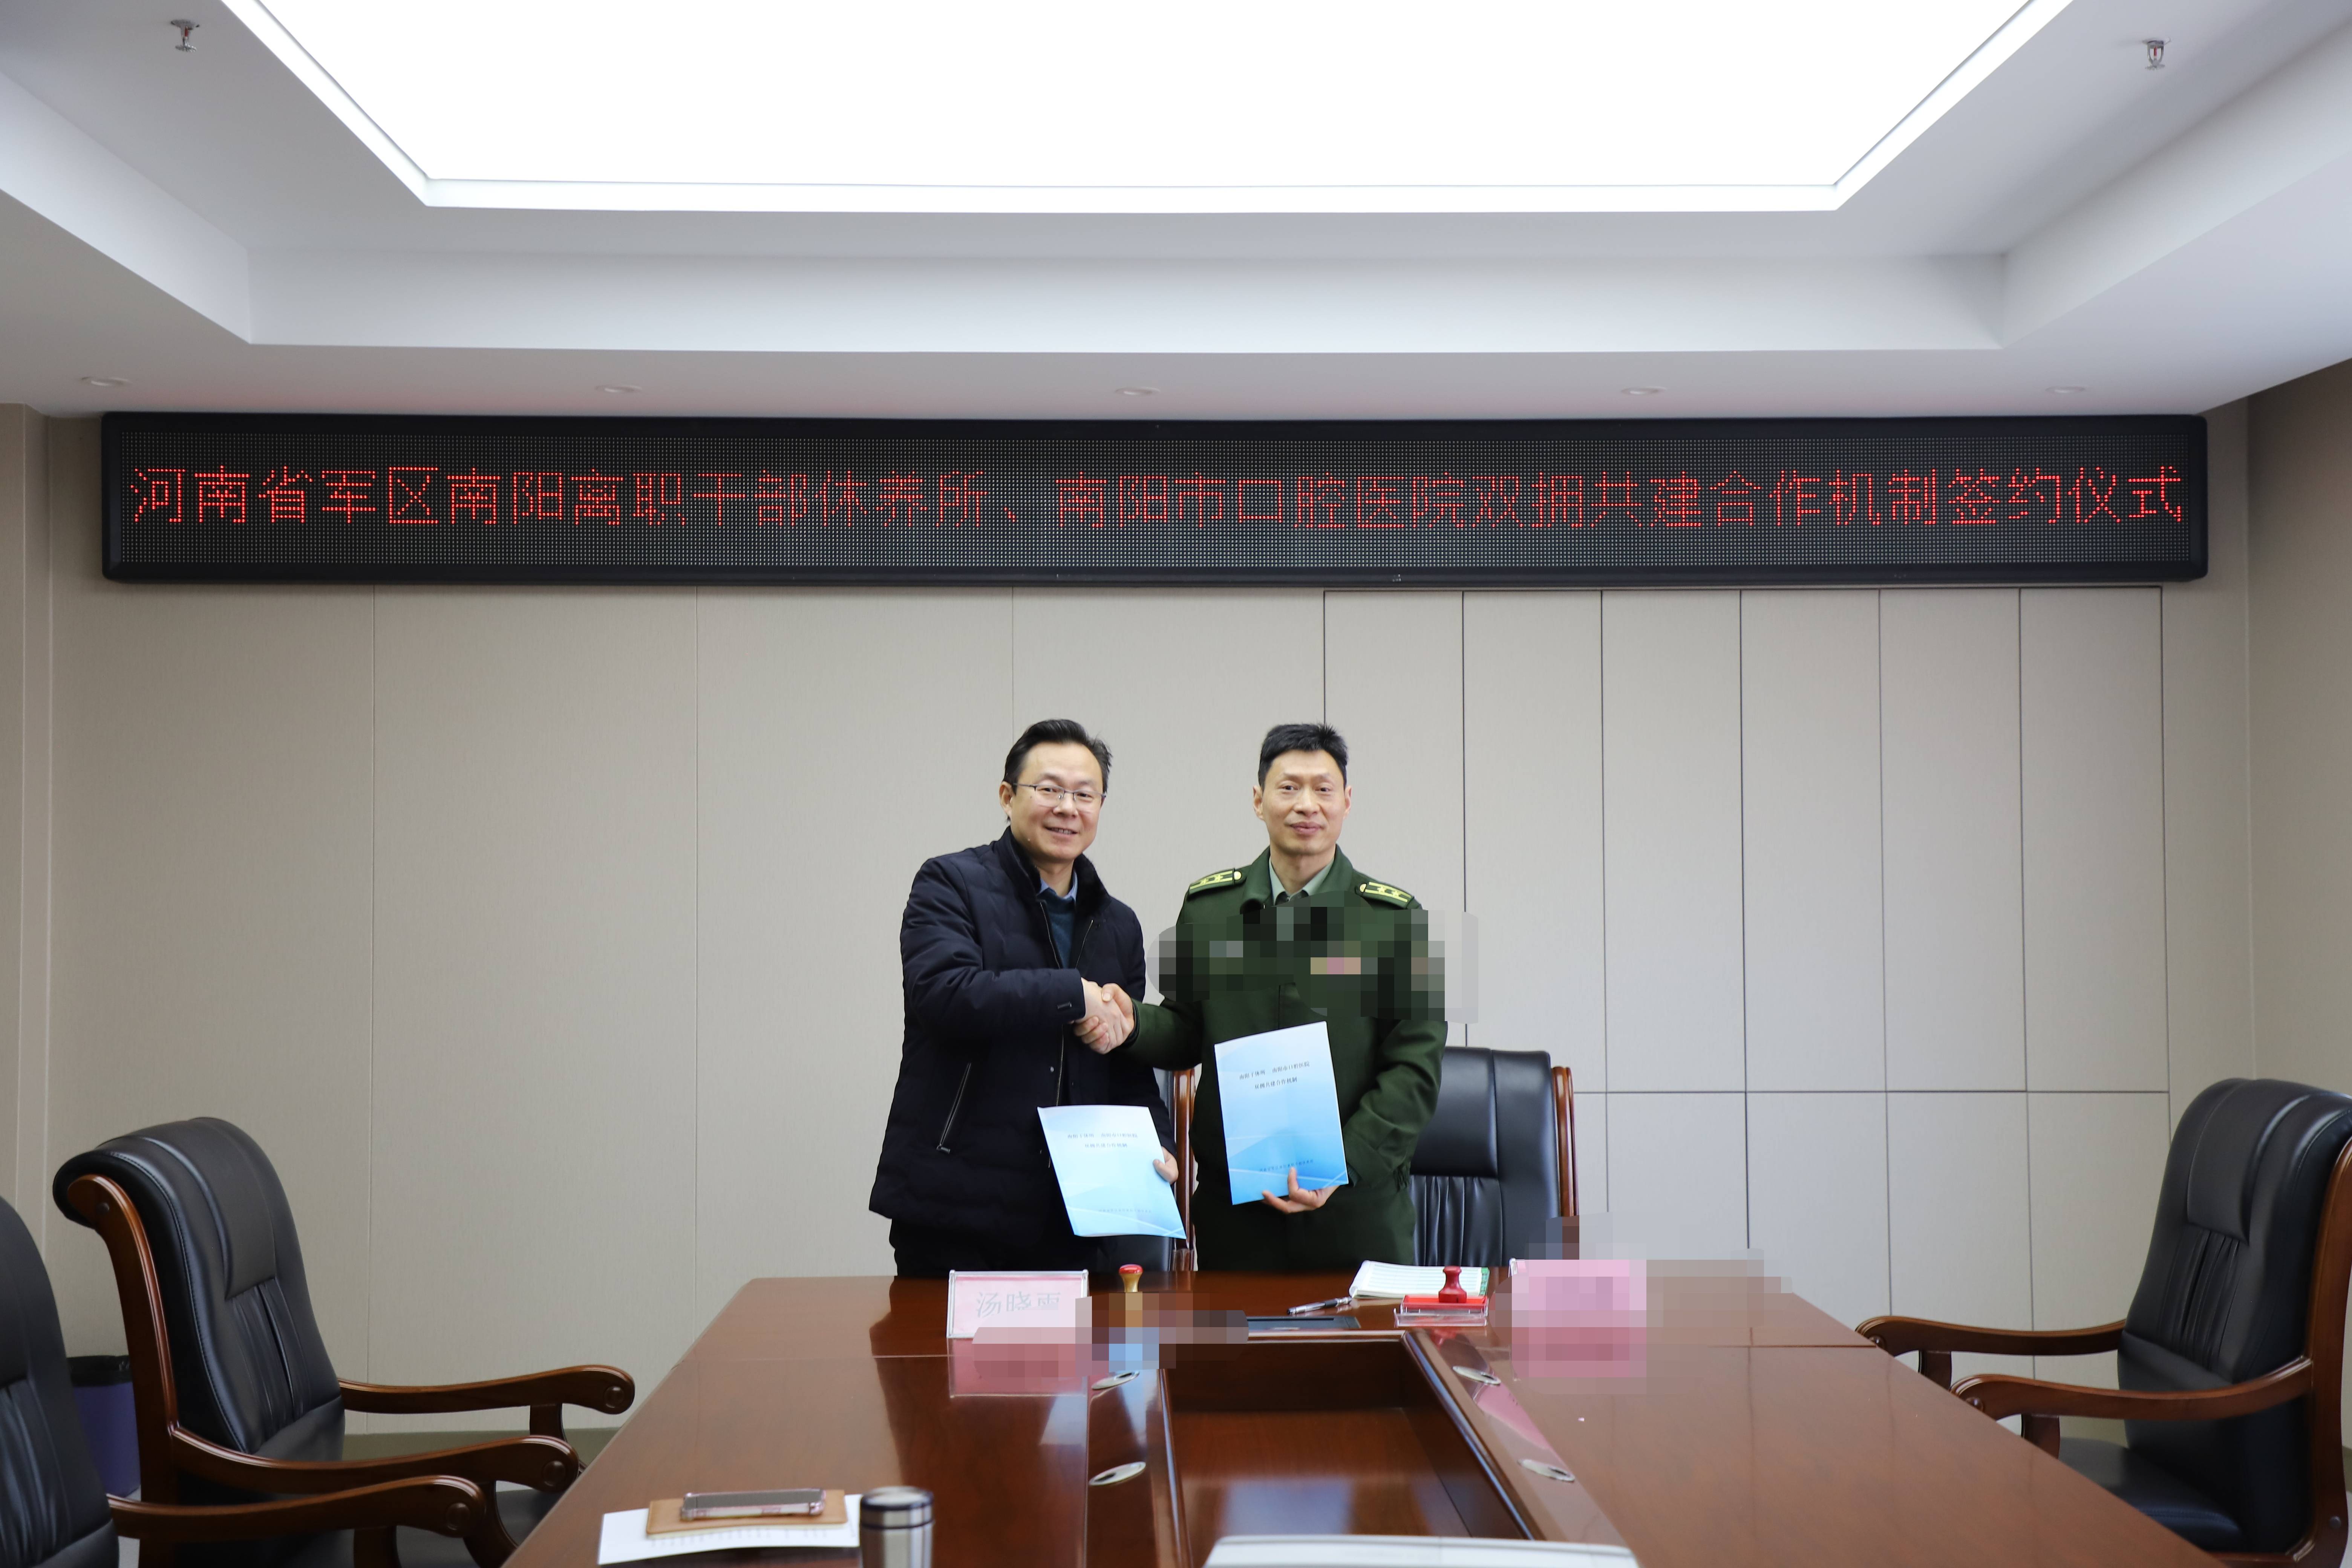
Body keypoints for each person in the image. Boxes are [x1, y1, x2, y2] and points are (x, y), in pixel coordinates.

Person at [1084, 722, 1445, 1271]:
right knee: (1235, 1332)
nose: (1307, 805)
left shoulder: (1398, 921)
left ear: (1347, 802)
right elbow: (1185, 1031)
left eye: (1324, 789)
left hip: (1356, 1213)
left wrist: (1341, 1165)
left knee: (1362, 1333)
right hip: (1237, 1216)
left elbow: (1414, 1069)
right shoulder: (1209, 910)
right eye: (1288, 788)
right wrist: (1132, 1022)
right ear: (1258, 801)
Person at [868, 719, 1176, 1276]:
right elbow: (943, 994)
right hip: (955, 1208)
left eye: (1085, 795)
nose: (1067, 808)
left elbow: (1125, 1060)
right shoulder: (950, 882)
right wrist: (1073, 994)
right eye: (1049, 789)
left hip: (1071, 1216)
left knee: (1083, 1342)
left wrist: (1155, 1141)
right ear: (1007, 796)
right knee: (940, 1340)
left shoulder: (1117, 923)